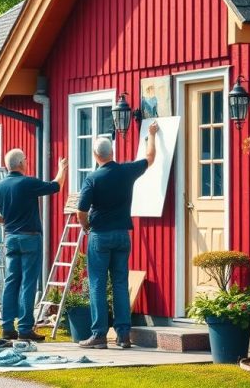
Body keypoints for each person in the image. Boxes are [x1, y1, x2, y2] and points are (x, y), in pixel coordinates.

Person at [76, 121, 158, 349]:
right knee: (120, 284)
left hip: (100, 235)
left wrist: (86, 226)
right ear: (112, 152)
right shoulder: (126, 171)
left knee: (97, 285)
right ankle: (124, 336)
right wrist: (152, 134)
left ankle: (99, 335)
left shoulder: (92, 178)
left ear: (95, 155)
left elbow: (81, 211)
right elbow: (150, 157)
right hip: (123, 234)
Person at [0, 150, 68, 341]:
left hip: (11, 238)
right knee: (28, 283)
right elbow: (56, 186)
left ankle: (6, 328)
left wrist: (5, 221)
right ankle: (24, 328)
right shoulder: (28, 182)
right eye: (26, 160)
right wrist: (62, 169)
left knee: (11, 282)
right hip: (30, 238)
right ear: (21, 163)